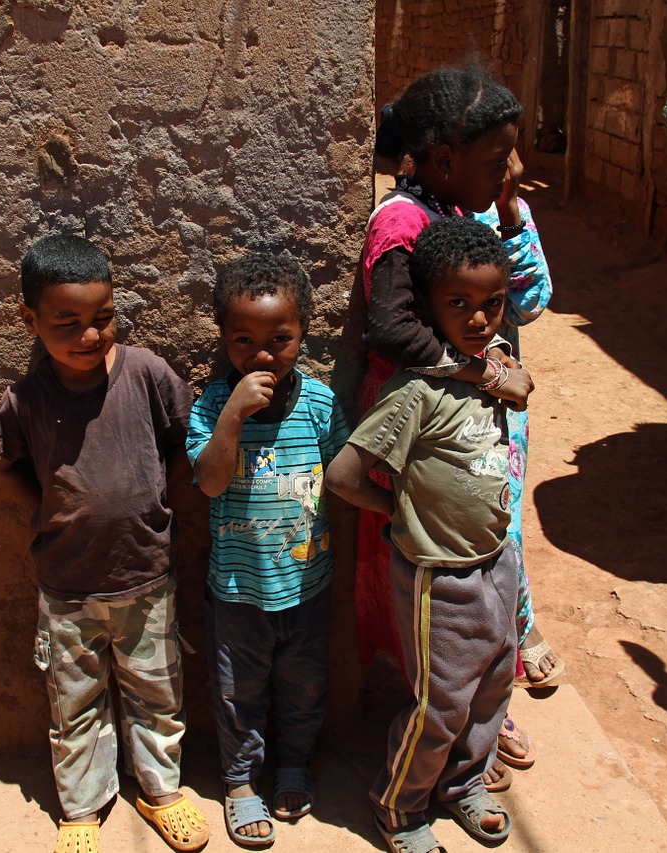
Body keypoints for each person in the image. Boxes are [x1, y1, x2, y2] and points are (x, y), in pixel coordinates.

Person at [0, 234, 208, 853]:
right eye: (69, 323)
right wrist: (48, 510)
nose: (90, 335)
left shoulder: (146, 374)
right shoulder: (25, 399)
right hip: (67, 589)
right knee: (73, 702)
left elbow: (184, 442)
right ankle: (82, 808)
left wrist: (162, 501)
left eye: (103, 318)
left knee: (158, 693)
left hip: (147, 578)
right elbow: (2, 466)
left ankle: (161, 791)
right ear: (30, 320)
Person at [360, 67, 554, 785]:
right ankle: (446, 722)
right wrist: (481, 372)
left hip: (482, 427)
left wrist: (509, 211)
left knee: (492, 546)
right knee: (445, 582)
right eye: (498, 157)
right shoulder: (404, 222)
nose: (513, 168)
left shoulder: (471, 212)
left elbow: (532, 298)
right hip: (433, 434)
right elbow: (388, 325)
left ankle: (480, 706)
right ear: (443, 159)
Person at [326, 215, 533, 852]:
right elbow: (343, 475)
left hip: (496, 561)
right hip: (436, 578)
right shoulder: (415, 391)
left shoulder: (493, 371)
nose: (479, 319)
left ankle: (462, 783)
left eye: (493, 304)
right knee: (440, 704)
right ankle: (400, 806)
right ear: (427, 308)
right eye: (459, 305)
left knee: (494, 683)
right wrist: (398, 511)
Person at [187, 253, 350, 848]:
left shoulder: (320, 403)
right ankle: (239, 783)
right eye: (243, 340)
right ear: (223, 339)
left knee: (306, 686)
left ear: (304, 331)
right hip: (238, 593)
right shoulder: (210, 405)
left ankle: (294, 765)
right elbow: (207, 481)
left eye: (279, 339)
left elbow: (342, 474)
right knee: (237, 694)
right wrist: (232, 414)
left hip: (308, 586)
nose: (262, 354)